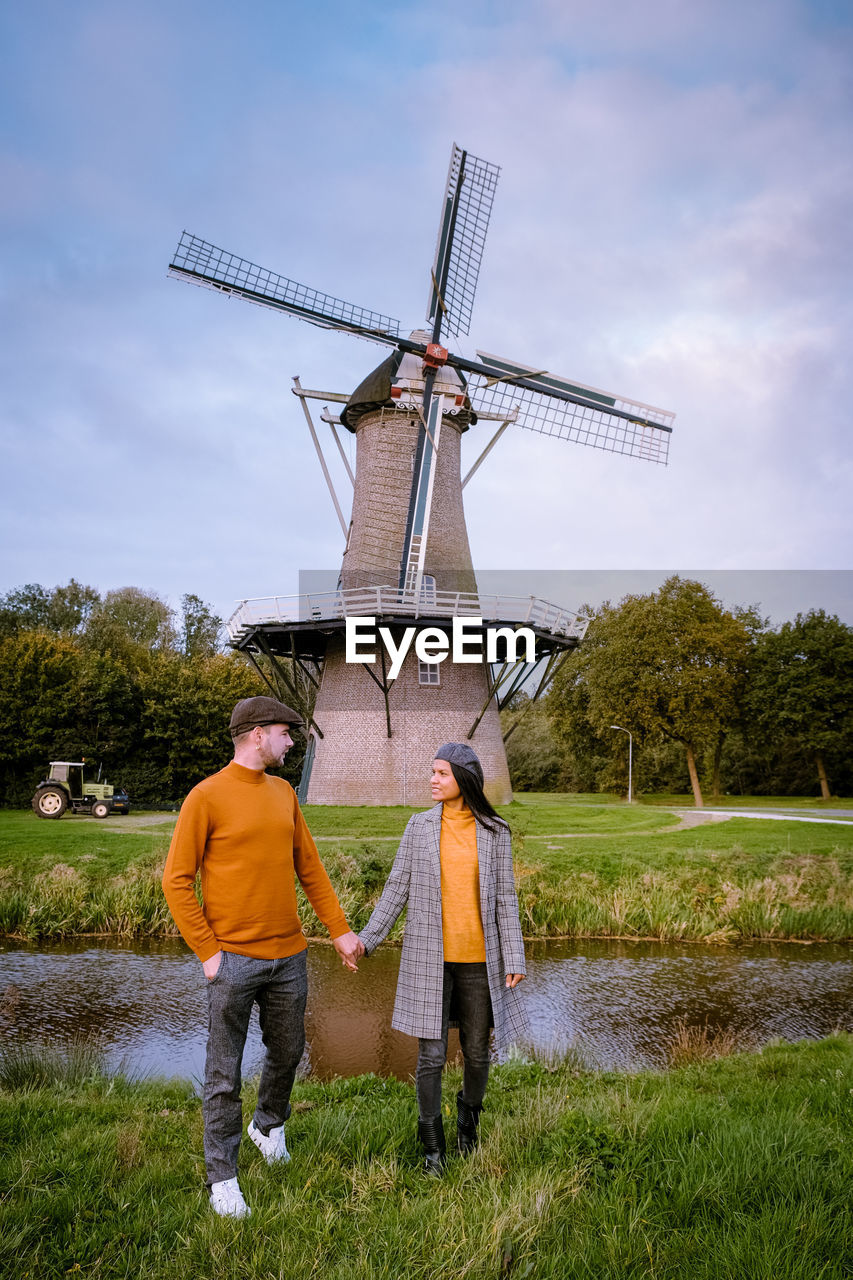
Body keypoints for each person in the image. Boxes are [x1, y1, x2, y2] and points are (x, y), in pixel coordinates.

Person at [161, 695, 362, 1218]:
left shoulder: (284, 794)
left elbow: (310, 868)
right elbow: (176, 881)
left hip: (290, 956)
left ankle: (268, 1125)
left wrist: (339, 931)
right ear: (257, 734)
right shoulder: (206, 796)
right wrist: (208, 952)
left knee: (289, 1051)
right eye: (285, 733)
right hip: (231, 961)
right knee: (223, 1074)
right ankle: (223, 1178)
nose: (291, 742)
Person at [357, 742, 527, 1174]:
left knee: (477, 1053)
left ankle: (468, 1126)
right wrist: (367, 940)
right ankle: (433, 1147)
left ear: (463, 779)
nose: (432, 780)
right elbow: (396, 889)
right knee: (431, 1056)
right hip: (429, 960)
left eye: (441, 774)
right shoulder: (418, 828)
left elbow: (506, 898)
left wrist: (514, 955)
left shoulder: (495, 831)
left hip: (480, 961)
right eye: (432, 772)